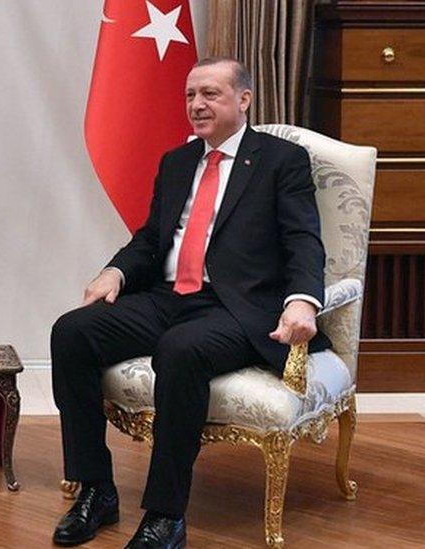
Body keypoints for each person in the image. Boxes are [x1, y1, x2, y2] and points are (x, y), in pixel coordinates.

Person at [50, 57, 329, 548]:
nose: (196, 105)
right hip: (166, 296)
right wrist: (115, 270)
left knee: (180, 349)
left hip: (234, 307)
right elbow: (151, 239)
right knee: (72, 331)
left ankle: (165, 515)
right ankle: (96, 489)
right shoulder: (177, 161)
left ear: (243, 99)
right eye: (190, 95)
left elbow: (304, 240)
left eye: (210, 94)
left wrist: (303, 301)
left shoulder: (280, 161)